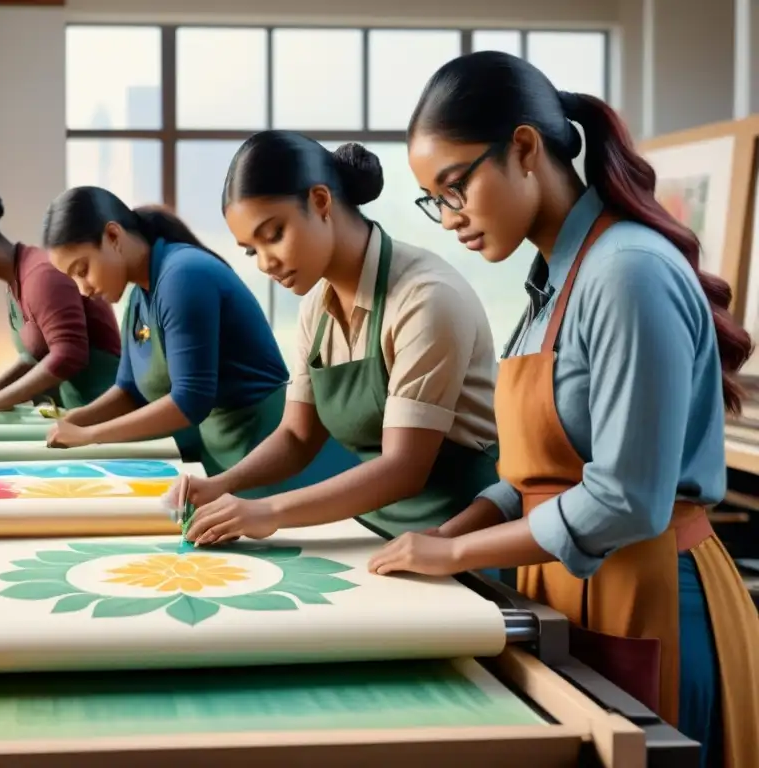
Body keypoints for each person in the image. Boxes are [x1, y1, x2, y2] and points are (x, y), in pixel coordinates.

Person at [378, 50, 759, 766]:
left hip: (648, 597)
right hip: (571, 589)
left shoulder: (626, 273)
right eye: (435, 199)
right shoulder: (550, 283)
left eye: (454, 187)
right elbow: (537, 472)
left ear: (524, 149)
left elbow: (625, 499)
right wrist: (456, 530)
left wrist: (458, 553)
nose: (449, 218)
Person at [177, 130, 501, 546]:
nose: (265, 263)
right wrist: (221, 484)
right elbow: (297, 436)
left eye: (273, 234)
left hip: (460, 539)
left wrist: (268, 511)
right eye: (250, 250)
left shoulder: (426, 298)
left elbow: (404, 467)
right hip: (378, 534)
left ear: (320, 201)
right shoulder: (318, 307)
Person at [41, 187, 355, 492]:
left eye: (83, 270)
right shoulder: (141, 295)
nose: (83, 289)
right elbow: (129, 389)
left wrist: (91, 434)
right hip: (228, 456)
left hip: (275, 454)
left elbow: (189, 401)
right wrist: (74, 421)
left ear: (113, 237)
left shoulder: (182, 276)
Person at [0, 184, 122, 412]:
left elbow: (69, 354)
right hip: (81, 412)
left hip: (108, 410)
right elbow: (33, 356)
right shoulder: (15, 283)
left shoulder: (41, 275)